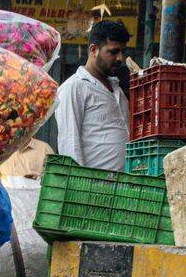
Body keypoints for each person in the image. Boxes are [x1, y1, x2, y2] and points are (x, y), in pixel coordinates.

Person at [54, 20, 131, 172]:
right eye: (113, 51)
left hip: (122, 187)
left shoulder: (117, 90)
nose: (120, 58)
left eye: (123, 52)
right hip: (91, 190)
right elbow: (69, 145)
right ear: (93, 50)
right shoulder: (74, 88)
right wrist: (79, 186)